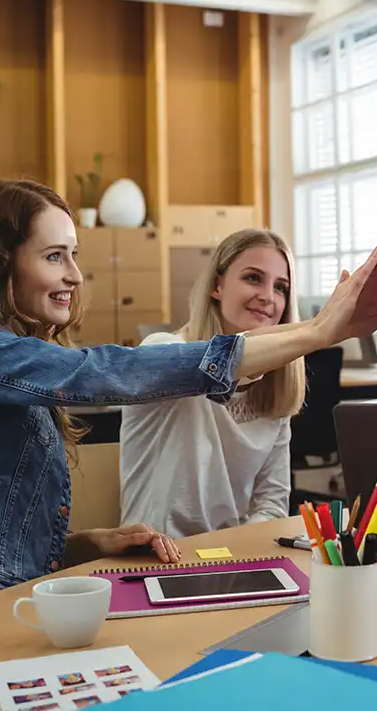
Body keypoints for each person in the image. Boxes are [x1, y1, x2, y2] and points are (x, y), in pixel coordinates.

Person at [0, 179, 377, 648]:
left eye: (74, 255)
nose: (75, 276)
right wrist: (320, 332)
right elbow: (99, 373)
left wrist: (88, 543)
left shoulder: (8, 366)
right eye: (54, 257)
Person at [120, 229, 305, 538]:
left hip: (229, 558)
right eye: (253, 278)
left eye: (281, 287)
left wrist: (232, 550)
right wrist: (318, 332)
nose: (268, 296)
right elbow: (208, 364)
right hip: (152, 558)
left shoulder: (275, 388)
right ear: (217, 286)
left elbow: (272, 505)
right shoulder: (163, 350)